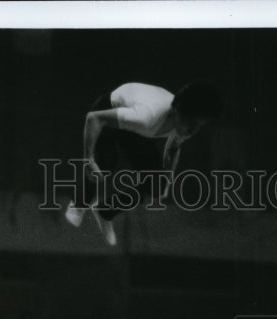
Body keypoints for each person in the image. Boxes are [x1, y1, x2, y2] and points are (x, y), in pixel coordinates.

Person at [65, 81, 223, 245]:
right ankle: (79, 203)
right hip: (108, 111)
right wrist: (88, 159)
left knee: (156, 185)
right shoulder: (147, 116)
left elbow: (174, 147)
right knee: (105, 163)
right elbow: (94, 118)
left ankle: (105, 212)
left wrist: (167, 180)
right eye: (191, 124)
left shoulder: (185, 124)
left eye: (198, 126)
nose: (192, 131)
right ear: (176, 111)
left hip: (135, 125)